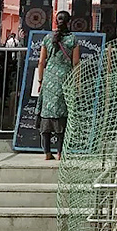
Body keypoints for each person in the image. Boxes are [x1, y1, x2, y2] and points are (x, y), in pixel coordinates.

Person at [35, 11, 79, 161]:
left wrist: (40, 81)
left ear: (55, 21)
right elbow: (75, 64)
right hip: (65, 81)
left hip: (49, 80)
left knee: (46, 114)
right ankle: (60, 152)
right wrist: (77, 84)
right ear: (69, 22)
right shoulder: (72, 40)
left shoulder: (47, 38)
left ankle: (47, 152)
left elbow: (41, 62)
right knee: (62, 115)